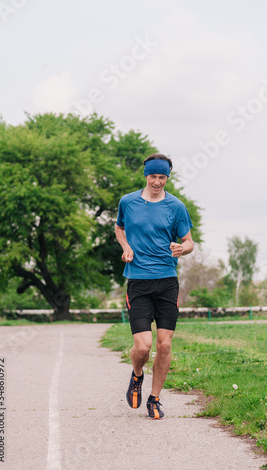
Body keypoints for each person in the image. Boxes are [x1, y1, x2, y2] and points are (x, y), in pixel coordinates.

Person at [115, 153, 194, 419]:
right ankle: (137, 376)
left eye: (162, 177)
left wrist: (181, 248)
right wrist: (126, 246)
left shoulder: (176, 207)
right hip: (138, 281)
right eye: (153, 176)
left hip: (166, 282)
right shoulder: (128, 202)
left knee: (164, 345)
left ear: (167, 177)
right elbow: (119, 228)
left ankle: (154, 398)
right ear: (146, 175)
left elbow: (189, 242)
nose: (157, 182)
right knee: (143, 346)